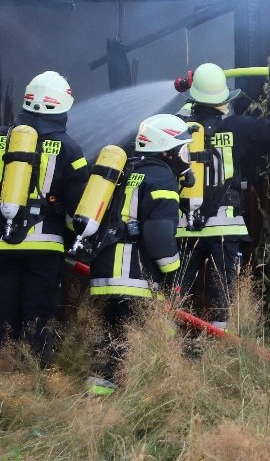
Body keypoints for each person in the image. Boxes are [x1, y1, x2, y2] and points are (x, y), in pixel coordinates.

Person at [0, 70, 89, 366]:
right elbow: (79, 207)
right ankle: (33, 370)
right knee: (39, 307)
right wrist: (72, 235)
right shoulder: (69, 149)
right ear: (63, 106)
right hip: (45, 246)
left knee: (1, 307)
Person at [174, 62, 270, 329]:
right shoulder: (239, 127)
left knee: (174, 297)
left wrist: (189, 95)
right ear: (224, 98)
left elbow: (183, 114)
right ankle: (222, 355)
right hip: (224, 227)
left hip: (185, 227)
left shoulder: (178, 128)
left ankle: (164, 351)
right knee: (224, 302)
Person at [76, 113, 190, 396]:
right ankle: (131, 388)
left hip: (105, 268)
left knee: (113, 327)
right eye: (182, 149)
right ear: (166, 149)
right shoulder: (161, 177)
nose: (185, 156)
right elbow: (159, 235)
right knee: (131, 329)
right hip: (133, 272)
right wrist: (172, 269)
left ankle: (102, 386)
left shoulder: (127, 167)